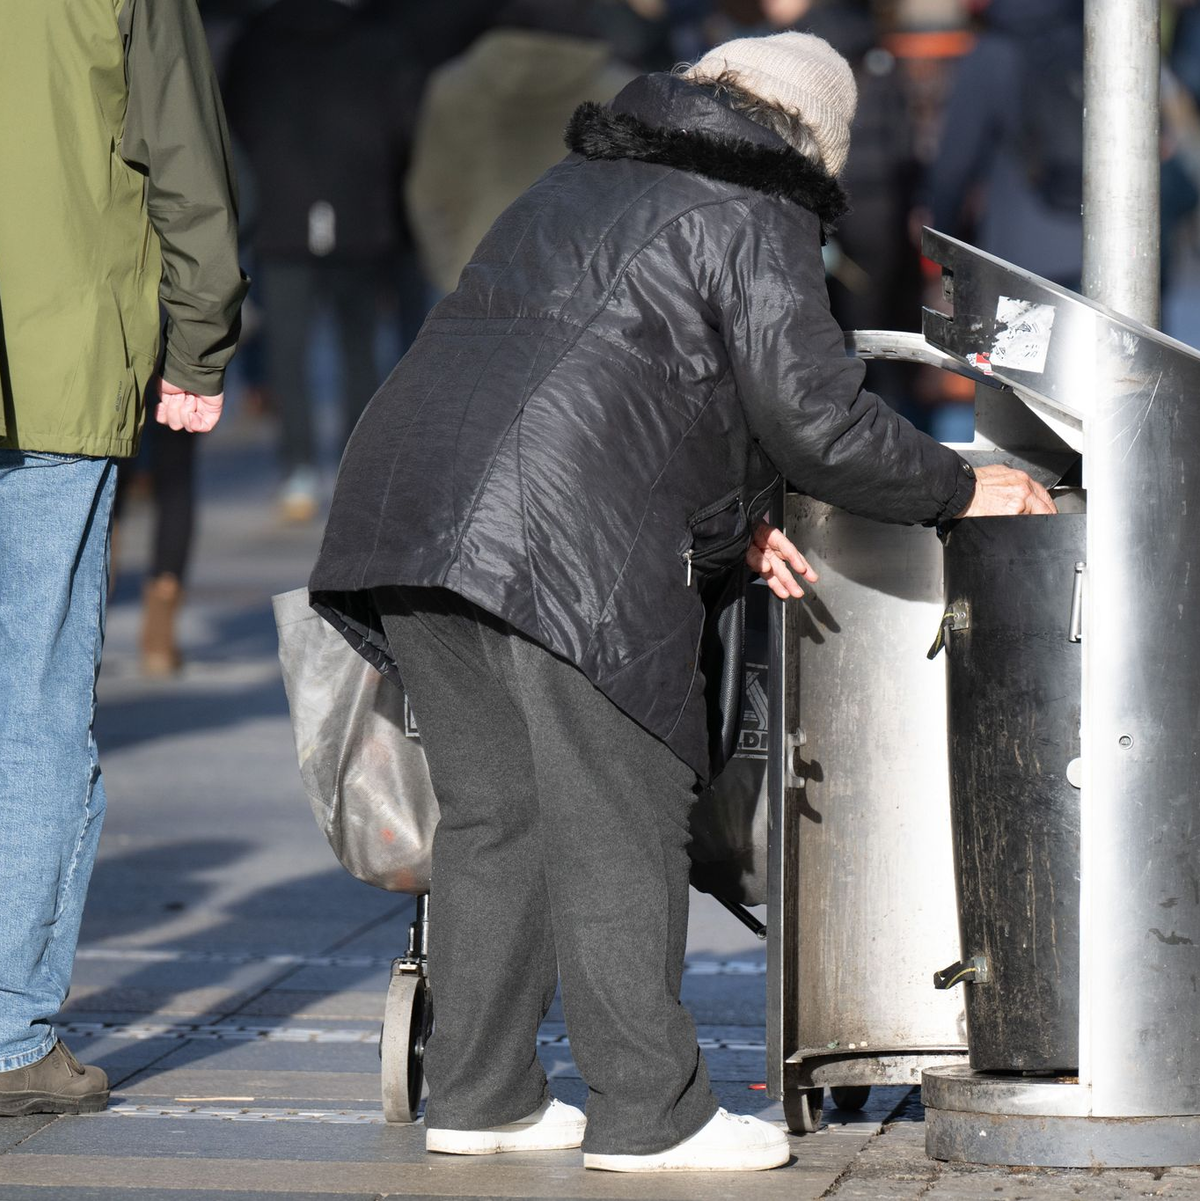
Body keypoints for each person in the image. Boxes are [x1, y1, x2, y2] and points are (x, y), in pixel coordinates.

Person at [309, 32, 1053, 1172]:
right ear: (813, 138)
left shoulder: (579, 179)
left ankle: (481, 1091)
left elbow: (644, 380)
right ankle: (652, 1113)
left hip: (409, 508)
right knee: (622, 806)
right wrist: (959, 487)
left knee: (494, 812)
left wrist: (734, 518)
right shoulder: (755, 211)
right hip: (560, 535)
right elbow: (815, 419)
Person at [0, 0, 246, 1115]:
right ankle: (7, 1035)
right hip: (57, 353)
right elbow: (184, 151)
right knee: (37, 698)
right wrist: (199, 339)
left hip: (54, 354)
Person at [222, 0, 427, 523]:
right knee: (358, 349)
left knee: (288, 351)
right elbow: (403, 120)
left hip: (282, 211)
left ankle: (297, 473)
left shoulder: (257, 39)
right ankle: (354, 474)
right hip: (359, 207)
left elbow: (233, 116)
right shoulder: (378, 38)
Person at [406, 0, 636, 296]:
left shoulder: (452, 86)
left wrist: (452, 273)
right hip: (583, 292)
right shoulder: (620, 91)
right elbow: (634, 203)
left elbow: (427, 195)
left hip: (475, 282)